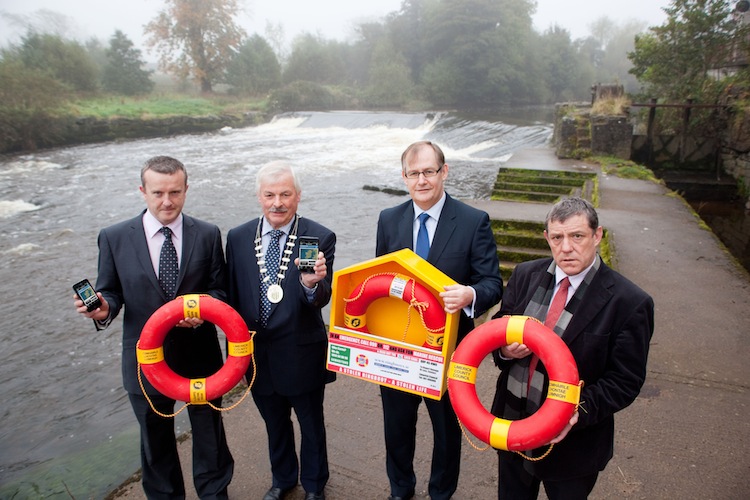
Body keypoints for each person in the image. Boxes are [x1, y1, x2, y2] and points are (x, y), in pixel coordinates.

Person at [73, 156, 234, 499]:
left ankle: (215, 495)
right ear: (142, 191)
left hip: (200, 355)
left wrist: (205, 310)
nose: (167, 201)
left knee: (210, 439)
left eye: (175, 192)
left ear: (186, 190)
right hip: (145, 362)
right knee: (155, 443)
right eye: (158, 192)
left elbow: (220, 290)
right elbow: (110, 291)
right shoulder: (114, 237)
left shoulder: (207, 233)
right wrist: (102, 309)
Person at [490, 197, 655, 499]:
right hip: (512, 425)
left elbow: (625, 381)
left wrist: (573, 411)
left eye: (577, 236)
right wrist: (505, 351)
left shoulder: (629, 302)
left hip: (573, 447)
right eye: (557, 237)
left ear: (597, 235)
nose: (566, 247)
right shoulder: (526, 274)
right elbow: (499, 325)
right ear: (547, 239)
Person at [375, 140, 504, 500]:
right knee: (396, 428)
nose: (422, 180)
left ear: (444, 172)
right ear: (404, 177)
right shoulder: (388, 219)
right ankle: (400, 489)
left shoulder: (473, 221)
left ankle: (440, 493)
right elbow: (379, 279)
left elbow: (493, 283)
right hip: (398, 347)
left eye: (429, 171)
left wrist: (470, 295)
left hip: (450, 352)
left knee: (446, 431)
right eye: (414, 173)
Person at [226, 161, 336, 500]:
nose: (278, 202)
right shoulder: (238, 237)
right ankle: (283, 479)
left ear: (298, 196)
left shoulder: (319, 236)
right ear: (259, 196)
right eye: (270, 194)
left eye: (285, 194)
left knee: (311, 425)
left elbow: (322, 297)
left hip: (301, 351)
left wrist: (309, 284)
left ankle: (315, 487)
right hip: (258, 355)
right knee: (274, 424)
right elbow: (231, 293)